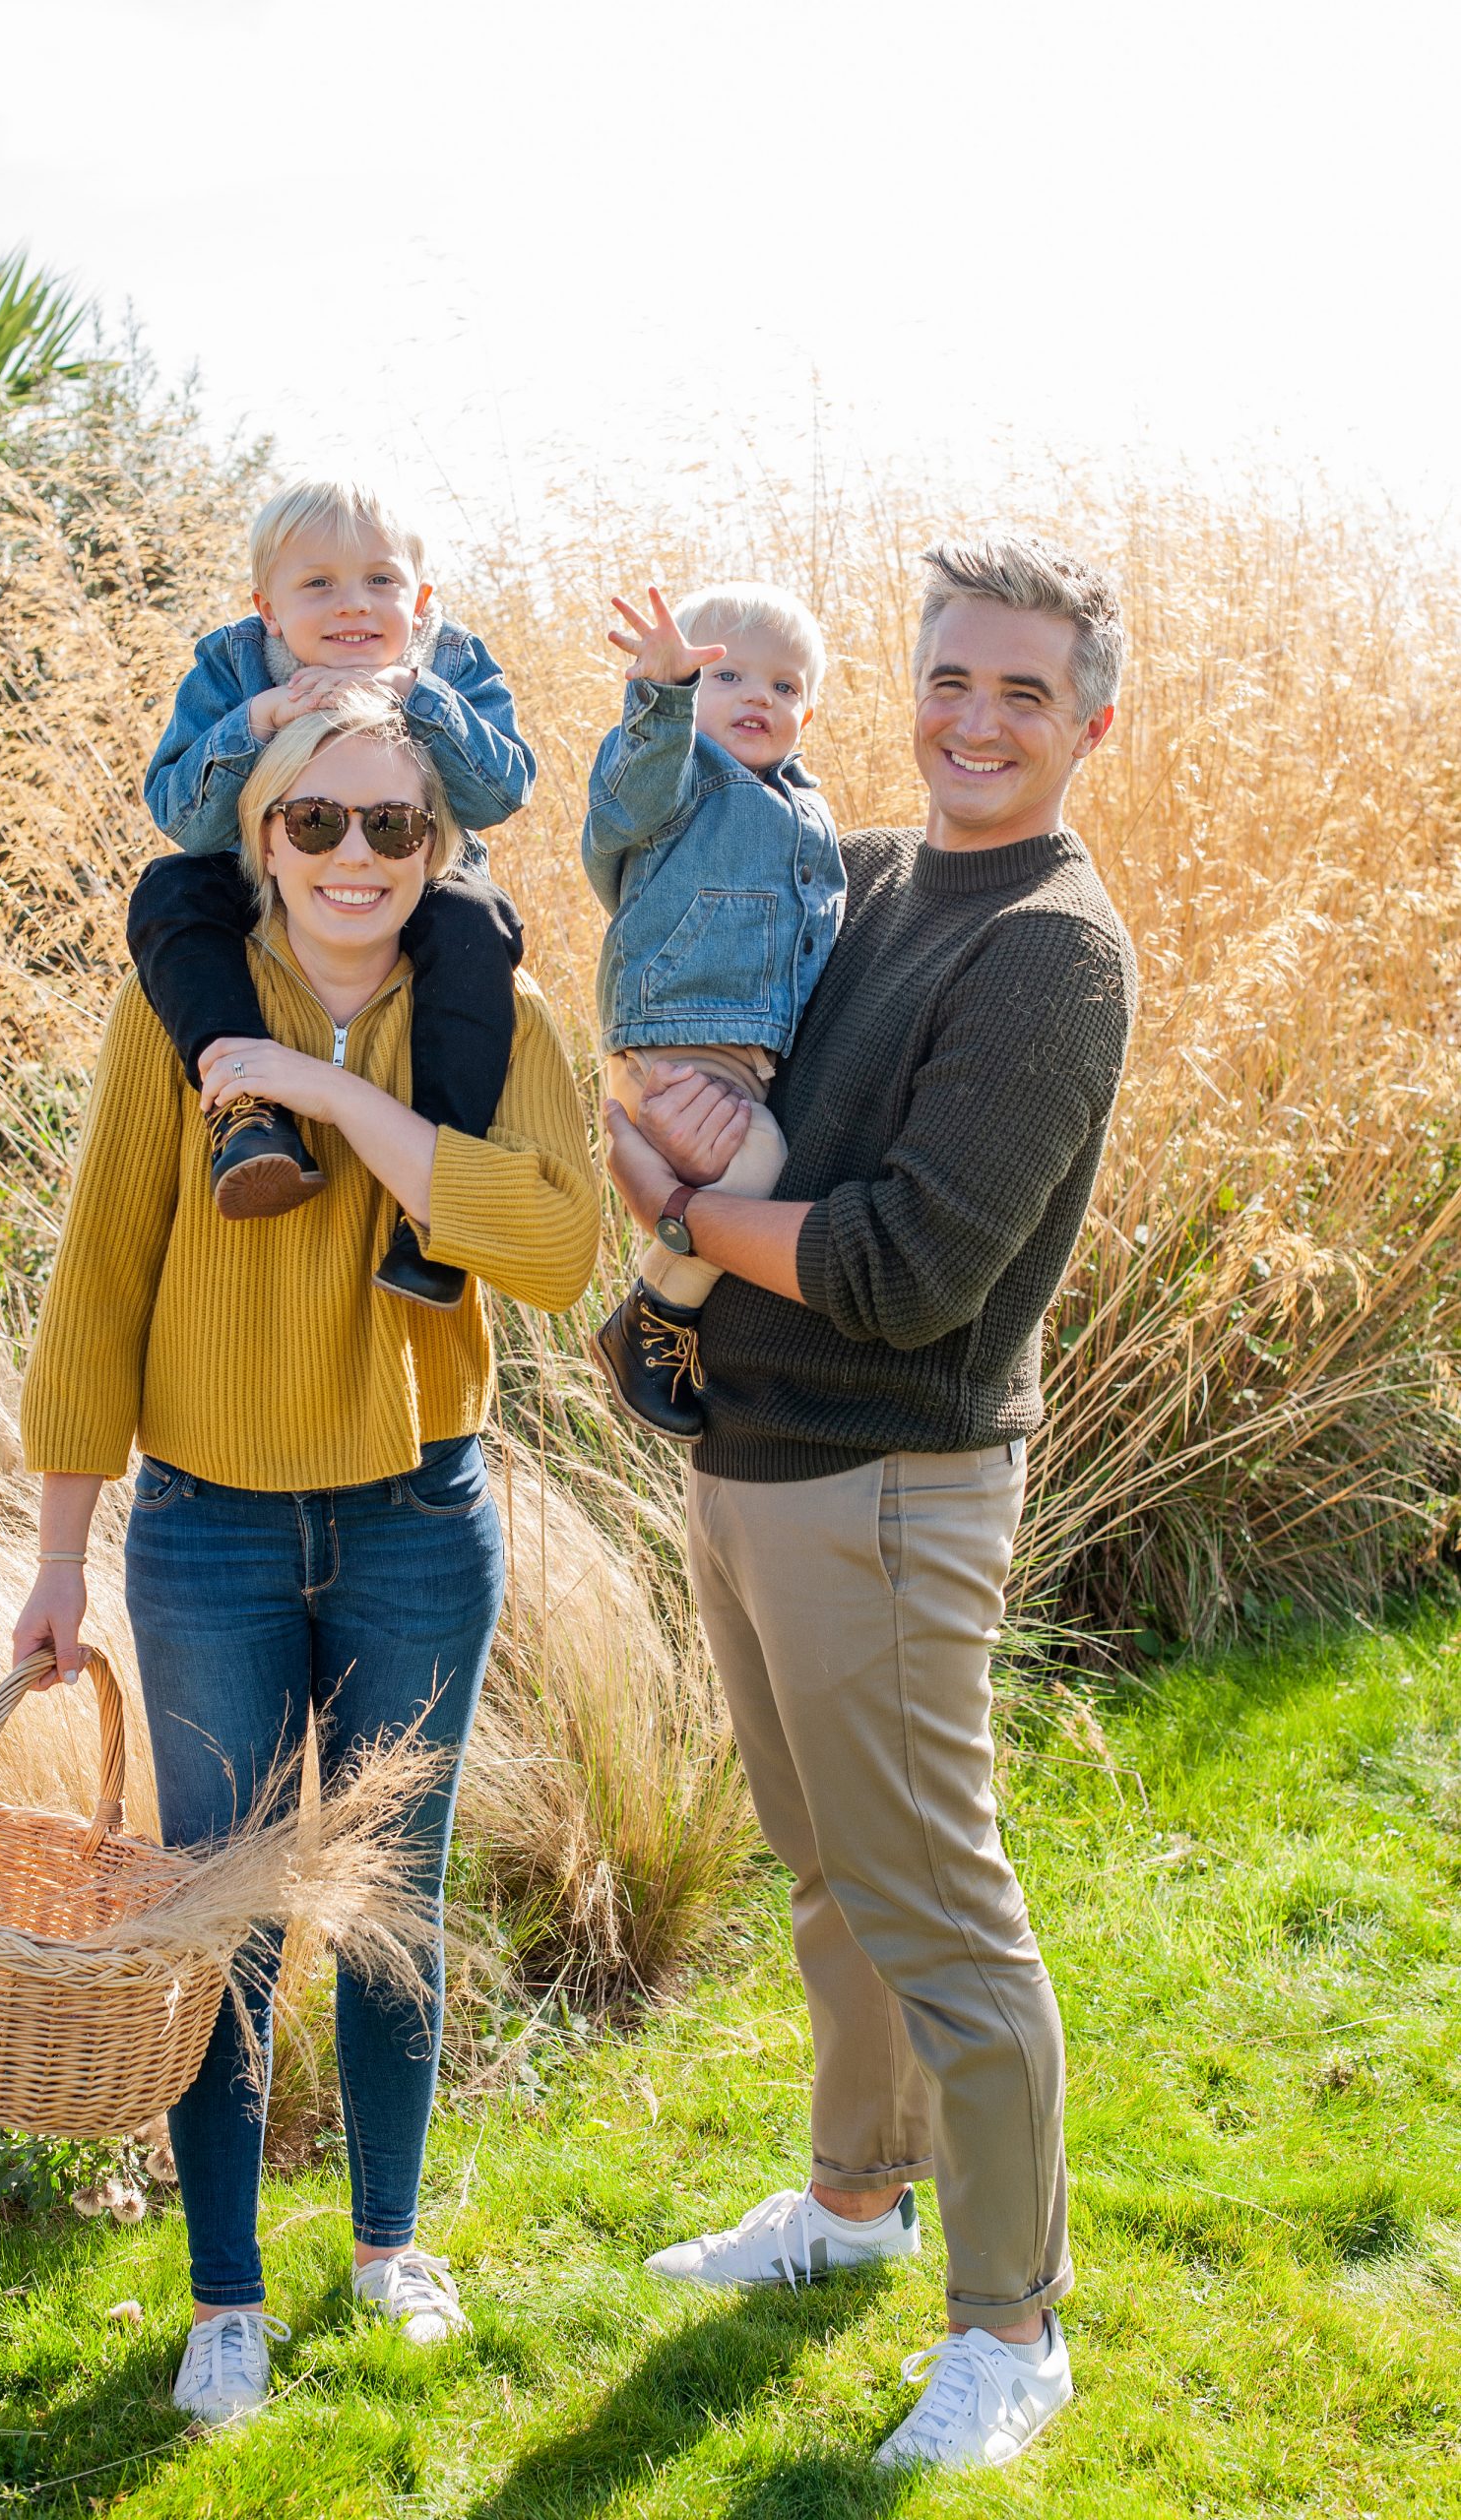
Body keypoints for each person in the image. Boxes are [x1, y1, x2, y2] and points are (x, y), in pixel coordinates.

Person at [603, 536, 1138, 2475]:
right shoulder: (880, 878)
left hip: (891, 1478)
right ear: (900, 688)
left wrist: (674, 1210)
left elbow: (906, 1265)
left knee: (937, 1907)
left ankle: (1009, 2324)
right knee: (826, 1879)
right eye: (944, 678)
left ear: (1087, 715)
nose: (972, 720)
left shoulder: (1050, 950)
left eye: (1016, 690)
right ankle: (848, 2204)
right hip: (750, 1452)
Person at [14, 685, 598, 2427]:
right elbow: (99, 1281)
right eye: (315, 824)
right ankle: (224, 2296)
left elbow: (557, 1248)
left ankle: (387, 2249)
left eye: (392, 827)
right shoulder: (172, 1014)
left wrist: (328, 1105)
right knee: (225, 1918)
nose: (354, 859)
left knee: (390, 1904)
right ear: (259, 837)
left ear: (438, 843)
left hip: (421, 1520)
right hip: (206, 1530)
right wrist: (60, 1555)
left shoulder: (497, 1013)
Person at [128, 478, 534, 1309]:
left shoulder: (450, 663)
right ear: (268, 609)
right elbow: (181, 817)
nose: (353, 606)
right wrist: (259, 721)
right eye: (317, 584)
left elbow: (500, 794)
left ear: (419, 602)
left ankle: (433, 1212)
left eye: (380, 581)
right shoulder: (234, 665)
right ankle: (245, 1109)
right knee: (170, 891)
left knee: (477, 926)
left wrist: (420, 697)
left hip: (411, 877)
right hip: (270, 873)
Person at [581, 582, 844, 1441]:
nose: (760, 699)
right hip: (671, 1040)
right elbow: (619, 811)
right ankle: (649, 1320)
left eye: (785, 686)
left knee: (768, 1166)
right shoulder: (681, 777)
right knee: (757, 1162)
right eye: (726, 678)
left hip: (742, 1055)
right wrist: (660, 697)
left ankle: (669, 1319)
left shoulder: (805, 812)